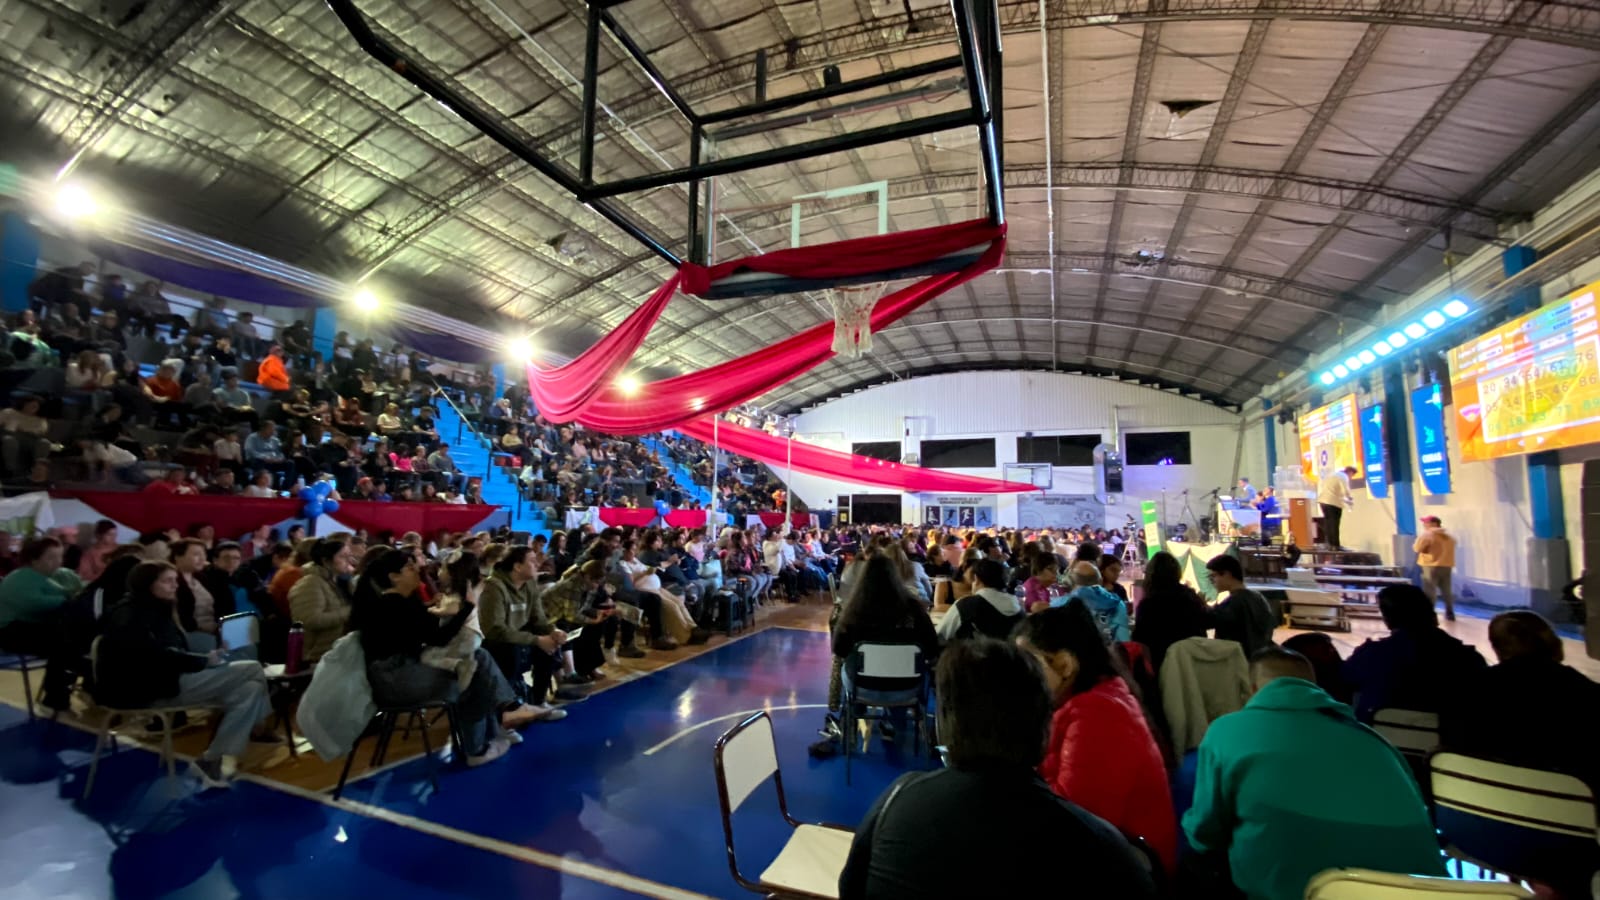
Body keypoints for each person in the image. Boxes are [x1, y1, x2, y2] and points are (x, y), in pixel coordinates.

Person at [838, 638, 1159, 900]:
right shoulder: (1099, 844)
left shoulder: (896, 802)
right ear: (1044, 723)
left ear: (946, 726)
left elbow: (851, 888)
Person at [1182, 647, 1446, 900]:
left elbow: (1205, 832)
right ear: (1314, 688)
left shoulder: (1227, 730)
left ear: (1252, 690)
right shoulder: (1375, 741)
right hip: (1419, 890)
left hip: (1295, 891)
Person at [1018, 603, 1176, 871]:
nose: (1022, 678)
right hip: (1116, 855)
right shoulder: (1088, 701)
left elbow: (1077, 825)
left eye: (1029, 665)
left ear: (1065, 664)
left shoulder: (1098, 715)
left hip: (1130, 869)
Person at [350, 547, 541, 768]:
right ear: (394, 577)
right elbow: (438, 638)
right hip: (396, 680)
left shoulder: (405, 601)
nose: (418, 569)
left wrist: (446, 610)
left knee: (478, 659)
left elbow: (431, 632)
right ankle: (481, 743)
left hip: (404, 671)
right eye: (410, 568)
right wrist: (466, 608)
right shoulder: (390, 605)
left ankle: (503, 717)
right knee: (474, 677)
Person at [95, 561, 273, 788]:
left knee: (251, 689)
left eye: (175, 580)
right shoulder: (129, 615)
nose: (174, 586)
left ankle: (211, 759)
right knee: (253, 668)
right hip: (144, 689)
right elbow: (155, 657)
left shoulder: (155, 608)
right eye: (167, 581)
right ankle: (259, 725)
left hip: (165, 679)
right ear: (147, 584)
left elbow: (171, 652)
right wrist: (203, 661)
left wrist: (203, 659)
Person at [1442, 611, 1600, 794]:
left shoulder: (1467, 690)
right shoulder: (1583, 690)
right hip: (1569, 803)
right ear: (1552, 643)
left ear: (1498, 648)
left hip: (1480, 799)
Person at [1342, 583, 1486, 723]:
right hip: (1450, 737)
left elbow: (1343, 682)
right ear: (1431, 614)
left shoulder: (1370, 655)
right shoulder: (1470, 659)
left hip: (1380, 737)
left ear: (1387, 620)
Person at [478, 546, 568, 718]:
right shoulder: (494, 587)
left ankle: (539, 701)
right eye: (532, 561)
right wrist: (536, 640)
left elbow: (538, 619)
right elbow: (495, 630)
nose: (538, 564)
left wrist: (553, 632)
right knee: (509, 651)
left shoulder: (530, 584)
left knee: (551, 648)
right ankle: (508, 711)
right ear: (517, 566)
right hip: (496, 643)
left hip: (521, 636)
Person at [0, 537, 85, 711]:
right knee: (62, 643)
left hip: (32, 626)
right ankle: (55, 695)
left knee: (70, 639)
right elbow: (33, 603)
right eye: (51, 557)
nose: (58, 562)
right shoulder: (21, 579)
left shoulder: (57, 575)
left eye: (60, 556)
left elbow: (75, 591)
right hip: (10, 631)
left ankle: (68, 687)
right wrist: (67, 599)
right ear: (34, 559)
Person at [1132, 551, 1211, 674]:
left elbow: (1140, 640)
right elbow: (1204, 624)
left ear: (1151, 575)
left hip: (1162, 665)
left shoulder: (1149, 604)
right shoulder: (1191, 597)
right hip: (1194, 663)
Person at [287, 538, 354, 664]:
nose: (349, 561)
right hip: (317, 655)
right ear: (326, 561)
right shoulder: (310, 583)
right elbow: (310, 619)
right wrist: (350, 612)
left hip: (337, 651)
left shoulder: (342, 581)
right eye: (342, 556)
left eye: (349, 556)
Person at [1203, 554, 1276, 658]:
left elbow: (1208, 621)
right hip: (1261, 658)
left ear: (1227, 574)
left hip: (1238, 660)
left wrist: (1200, 604)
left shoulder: (1233, 602)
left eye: (1213, 576)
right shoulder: (1258, 597)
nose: (1212, 581)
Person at [935, 558, 1023, 642]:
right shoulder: (1018, 605)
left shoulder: (966, 606)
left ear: (976, 579)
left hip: (976, 651)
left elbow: (939, 636)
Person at [1064, 560, 1130, 643]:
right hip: (1109, 650)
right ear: (1100, 580)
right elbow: (1124, 640)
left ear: (1070, 581)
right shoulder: (1117, 603)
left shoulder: (1060, 604)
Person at [1412, 515, 1457, 621]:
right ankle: (1450, 612)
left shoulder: (1427, 535)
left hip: (1431, 566)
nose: (1424, 525)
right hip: (1446, 566)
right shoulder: (1448, 536)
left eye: (1426, 522)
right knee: (1446, 590)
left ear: (1433, 524)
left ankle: (1429, 613)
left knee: (1430, 590)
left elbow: (1417, 548)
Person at [1316, 465, 1356, 549]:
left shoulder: (1333, 475)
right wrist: (1350, 498)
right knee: (1334, 524)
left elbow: (1332, 490)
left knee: (1328, 523)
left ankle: (1329, 544)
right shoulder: (1343, 476)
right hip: (1333, 503)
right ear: (1350, 472)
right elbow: (1345, 490)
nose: (1351, 478)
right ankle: (1335, 545)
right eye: (1352, 475)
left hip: (1323, 501)